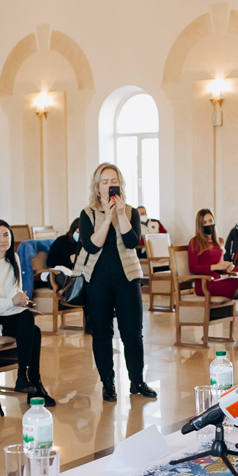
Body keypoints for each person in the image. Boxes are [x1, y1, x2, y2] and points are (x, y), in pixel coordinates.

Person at [75, 163, 156, 402]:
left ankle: (137, 381)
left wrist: (120, 214)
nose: (110, 185)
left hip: (127, 279)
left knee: (133, 333)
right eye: (105, 182)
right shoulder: (88, 213)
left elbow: (132, 242)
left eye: (114, 181)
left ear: (120, 184)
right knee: (102, 333)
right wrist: (108, 217)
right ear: (97, 187)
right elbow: (91, 245)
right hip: (97, 280)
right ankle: (108, 383)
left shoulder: (130, 212)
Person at [0, 220, 54, 406]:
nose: (3, 240)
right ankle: (31, 382)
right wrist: (11, 302)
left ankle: (27, 380)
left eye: (6, 234)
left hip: (12, 315)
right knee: (30, 326)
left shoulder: (13, 258)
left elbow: (16, 291)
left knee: (32, 327)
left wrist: (21, 300)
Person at [187, 209, 238, 349]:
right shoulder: (195, 242)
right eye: (205, 222)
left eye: (210, 220)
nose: (209, 224)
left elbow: (219, 268)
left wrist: (226, 268)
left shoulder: (219, 241)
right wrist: (215, 266)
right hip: (205, 283)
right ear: (200, 225)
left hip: (217, 280)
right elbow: (193, 267)